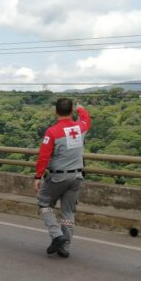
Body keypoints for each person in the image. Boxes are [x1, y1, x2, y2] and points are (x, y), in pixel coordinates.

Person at [34, 98, 91, 258]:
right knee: (68, 211)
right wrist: (81, 110)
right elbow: (86, 120)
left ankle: (57, 235)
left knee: (44, 203)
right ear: (71, 111)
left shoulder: (52, 132)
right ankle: (64, 246)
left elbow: (43, 157)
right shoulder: (80, 128)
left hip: (58, 177)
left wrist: (38, 176)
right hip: (77, 177)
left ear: (56, 112)